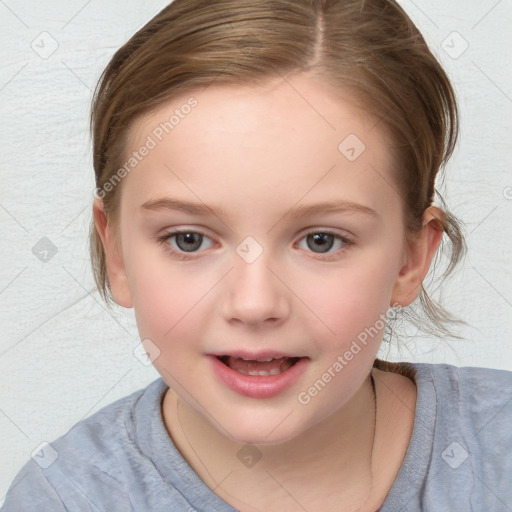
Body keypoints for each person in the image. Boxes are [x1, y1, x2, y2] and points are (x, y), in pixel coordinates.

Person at [2, 0, 511, 510]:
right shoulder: (64, 498)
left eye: (321, 241)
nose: (253, 303)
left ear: (411, 258)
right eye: (189, 239)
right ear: (115, 251)